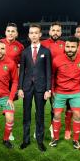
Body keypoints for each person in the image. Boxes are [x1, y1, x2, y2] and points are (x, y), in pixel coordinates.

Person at [49, 36, 80, 149]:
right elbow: (52, 76)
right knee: (56, 115)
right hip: (60, 92)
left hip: (76, 92)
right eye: (67, 46)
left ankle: (75, 140)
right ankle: (55, 138)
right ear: (64, 47)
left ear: (78, 47)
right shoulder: (57, 60)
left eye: (73, 47)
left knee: (77, 115)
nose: (70, 49)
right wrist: (53, 90)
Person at [18, 24, 52, 152]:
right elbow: (21, 72)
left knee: (40, 115)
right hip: (27, 87)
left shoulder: (46, 51)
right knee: (26, 115)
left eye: (36, 33)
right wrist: (20, 88)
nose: (33, 35)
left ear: (40, 34)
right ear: (28, 35)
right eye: (31, 33)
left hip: (41, 88)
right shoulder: (25, 52)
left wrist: (48, 89)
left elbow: (49, 72)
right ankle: (25, 141)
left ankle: (40, 141)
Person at [0, 23, 24, 141]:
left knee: (8, 107)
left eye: (13, 31)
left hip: (11, 81)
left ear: (16, 33)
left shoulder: (19, 46)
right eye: (8, 31)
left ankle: (9, 133)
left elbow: (21, 65)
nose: (10, 33)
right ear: (5, 32)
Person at [41, 21, 65, 138]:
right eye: (53, 30)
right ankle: (39, 128)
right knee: (40, 106)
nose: (55, 32)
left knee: (55, 107)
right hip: (44, 80)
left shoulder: (65, 45)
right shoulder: (42, 44)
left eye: (58, 30)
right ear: (49, 31)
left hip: (59, 81)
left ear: (61, 32)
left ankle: (52, 126)